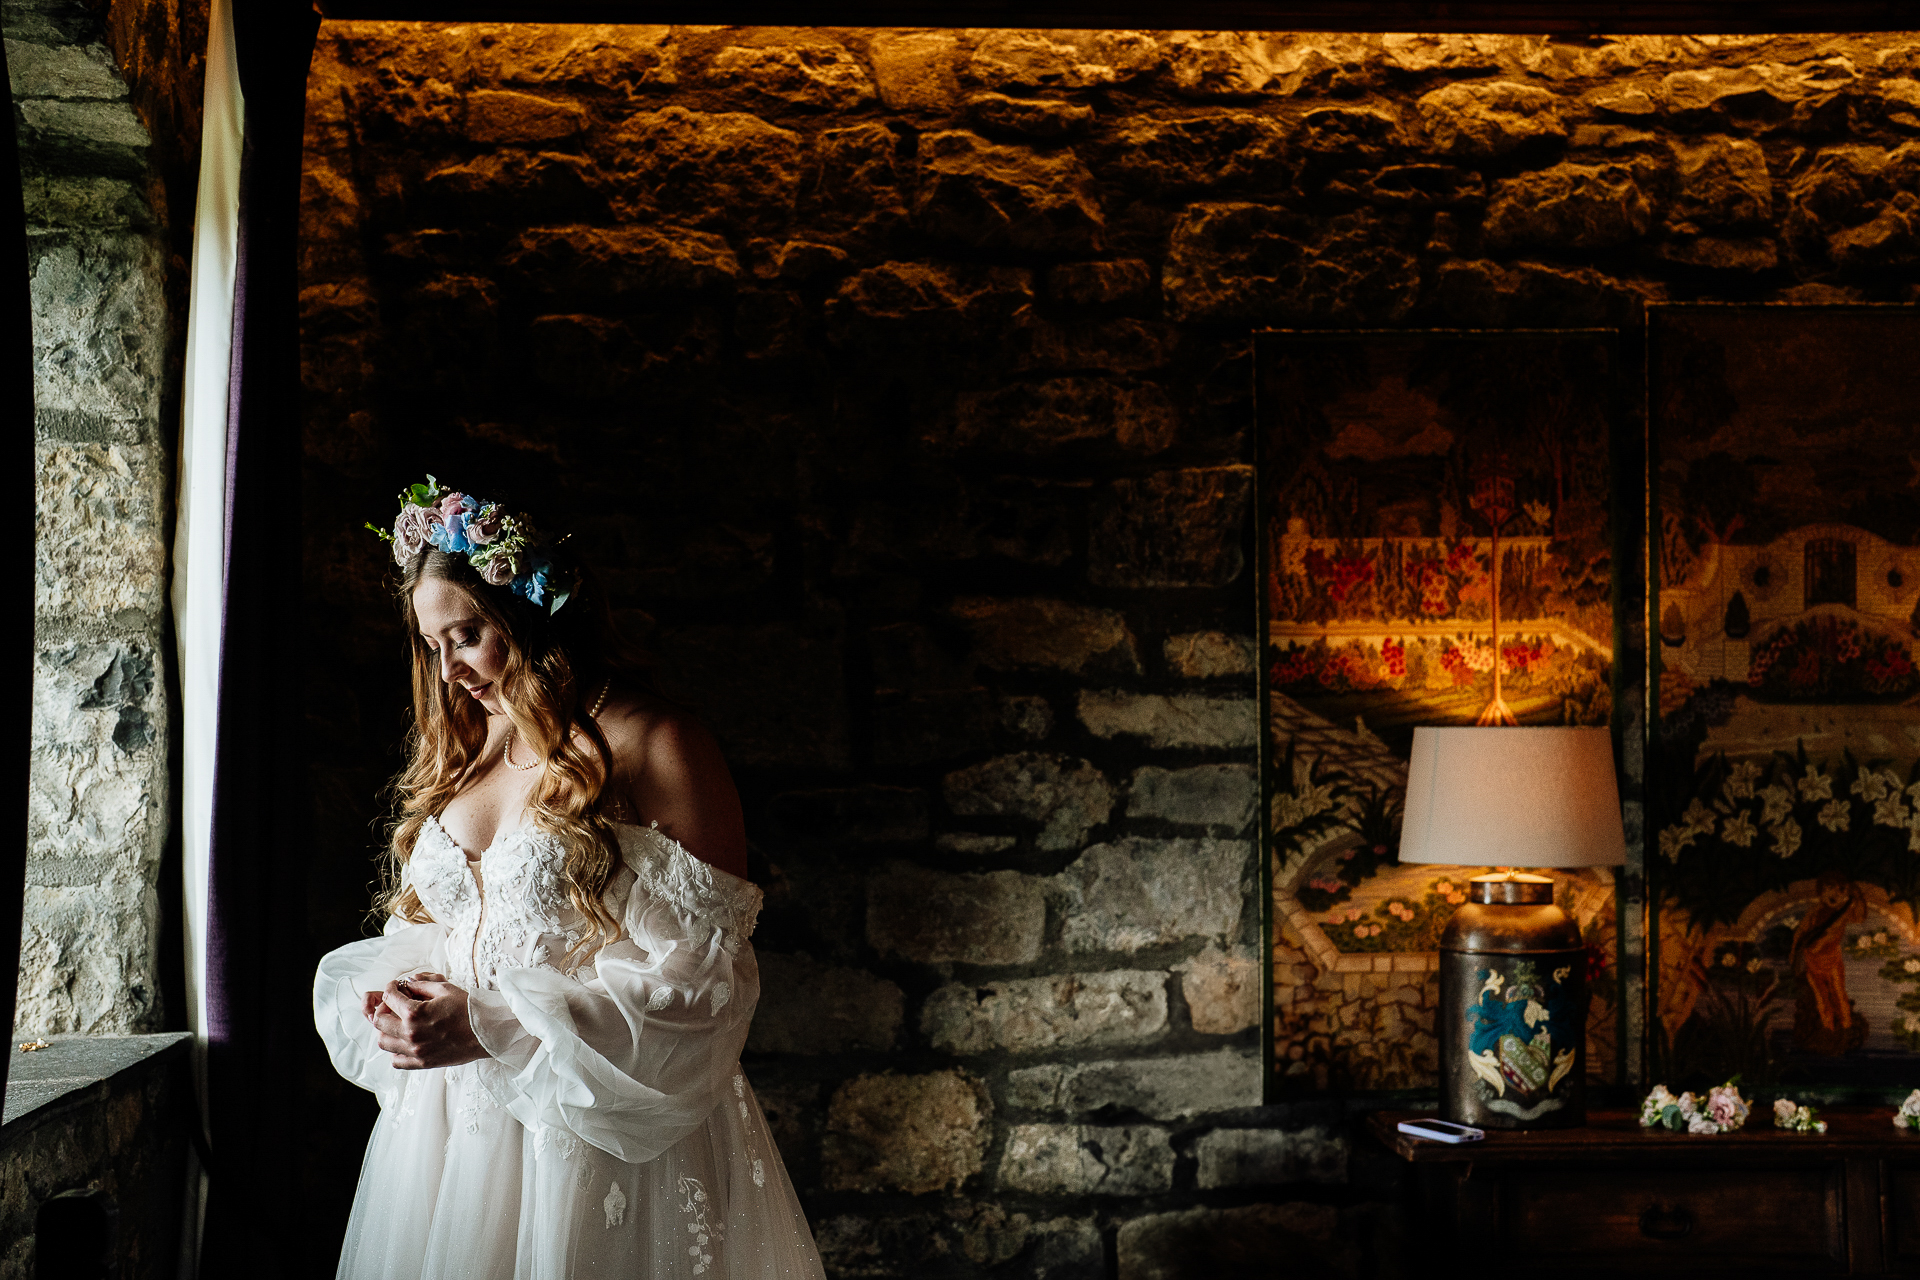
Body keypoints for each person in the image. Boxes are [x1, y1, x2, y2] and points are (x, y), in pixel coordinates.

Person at [313, 479, 825, 1279]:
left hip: (595, 1140)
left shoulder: (655, 742)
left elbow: (709, 990)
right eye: (432, 644)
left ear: (531, 611)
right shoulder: (466, 747)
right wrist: (406, 995)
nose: (450, 671)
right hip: (449, 1142)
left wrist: (494, 1023)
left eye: (469, 634)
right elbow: (458, 928)